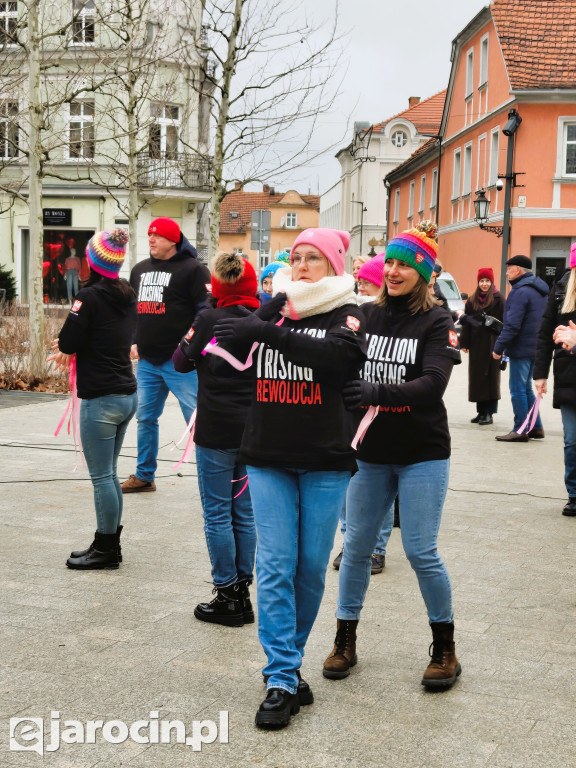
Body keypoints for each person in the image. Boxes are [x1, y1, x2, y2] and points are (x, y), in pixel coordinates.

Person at [212, 228, 366, 729]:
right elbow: (228, 341)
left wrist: (271, 329)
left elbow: (338, 358)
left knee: (308, 568)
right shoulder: (273, 305)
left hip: (325, 458)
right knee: (275, 566)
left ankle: (289, 660)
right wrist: (263, 316)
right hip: (267, 454)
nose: (301, 267)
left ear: (333, 266)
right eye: (296, 257)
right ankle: (281, 677)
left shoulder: (348, 311)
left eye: (313, 259)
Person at [322, 221, 463, 691]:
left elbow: (433, 384)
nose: (394, 271)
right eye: (391, 263)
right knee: (357, 548)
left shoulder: (437, 321)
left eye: (405, 264)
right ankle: (345, 641)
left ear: (422, 271)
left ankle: (445, 648)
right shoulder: (365, 314)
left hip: (422, 451)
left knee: (421, 551)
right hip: (370, 454)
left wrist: (376, 391)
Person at [172, 252, 258, 626]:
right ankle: (244, 591)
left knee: (217, 512)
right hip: (254, 431)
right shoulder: (263, 319)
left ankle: (227, 593)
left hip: (216, 430)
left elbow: (179, 360)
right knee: (245, 511)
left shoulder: (209, 318)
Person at [47, 230, 137, 569]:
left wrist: (66, 349)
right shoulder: (127, 293)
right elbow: (102, 336)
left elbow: (70, 340)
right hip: (127, 393)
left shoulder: (88, 296)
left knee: (102, 477)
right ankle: (105, 543)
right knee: (109, 474)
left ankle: (107, 550)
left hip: (101, 399)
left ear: (93, 261)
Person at [121, 217, 210, 493]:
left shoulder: (194, 270)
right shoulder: (139, 270)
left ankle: (212, 478)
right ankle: (144, 475)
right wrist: (133, 340)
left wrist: (189, 345)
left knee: (197, 421)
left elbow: (205, 310)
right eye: (149, 235)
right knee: (145, 417)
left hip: (181, 362)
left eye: (156, 235)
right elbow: (133, 311)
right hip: (148, 361)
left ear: (173, 240)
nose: (151, 239)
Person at [334, 250, 391, 576]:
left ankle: (377, 549)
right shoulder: (353, 317)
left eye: (368, 284)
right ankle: (351, 543)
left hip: (383, 412)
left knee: (378, 494)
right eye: (361, 283)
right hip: (352, 413)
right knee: (348, 488)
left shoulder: (387, 319)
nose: (363, 290)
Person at [534, 244, 576, 516]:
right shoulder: (560, 291)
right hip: (569, 375)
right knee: (572, 440)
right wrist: (540, 373)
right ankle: (574, 493)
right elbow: (544, 332)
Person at [492, 255, 549, 442]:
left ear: (518, 270)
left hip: (521, 348)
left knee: (517, 389)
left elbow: (512, 324)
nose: (507, 272)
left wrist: (499, 347)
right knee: (526, 388)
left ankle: (521, 429)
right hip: (537, 347)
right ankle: (536, 427)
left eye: (509, 269)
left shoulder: (519, 291)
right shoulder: (540, 290)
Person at [460, 267, 504, 425]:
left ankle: (489, 413)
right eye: (482, 281)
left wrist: (503, 344)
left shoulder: (499, 299)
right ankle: (480, 412)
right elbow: (466, 323)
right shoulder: (472, 300)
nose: (484, 284)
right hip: (477, 345)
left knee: (491, 378)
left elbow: (504, 322)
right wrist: (464, 343)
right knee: (478, 378)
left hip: (493, 344)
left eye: (487, 281)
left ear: (492, 282)